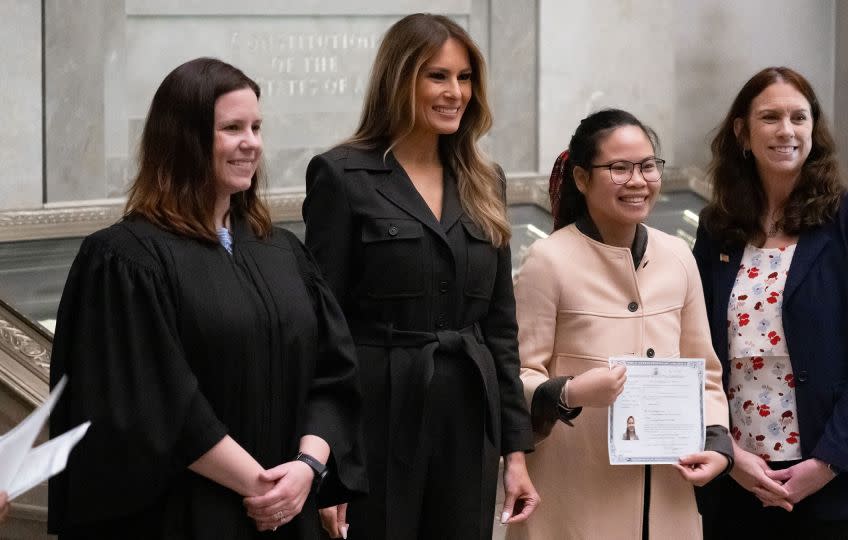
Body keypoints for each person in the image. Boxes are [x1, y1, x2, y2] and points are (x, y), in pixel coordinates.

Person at [48, 57, 365, 539]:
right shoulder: (125, 260)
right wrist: (262, 486)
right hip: (187, 515)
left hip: (287, 508)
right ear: (184, 139)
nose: (251, 143)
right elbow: (154, 401)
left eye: (257, 127)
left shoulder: (281, 251)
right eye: (232, 128)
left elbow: (333, 373)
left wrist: (305, 468)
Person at [302, 13, 538, 540]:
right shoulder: (342, 175)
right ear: (398, 79)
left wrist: (515, 453)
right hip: (378, 417)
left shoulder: (484, 180)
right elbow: (323, 329)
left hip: (468, 417)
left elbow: (500, 329)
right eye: (437, 76)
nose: (456, 92)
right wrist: (329, 462)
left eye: (465, 77)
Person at [693, 66, 848, 539]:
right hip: (740, 476)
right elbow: (698, 348)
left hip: (835, 477)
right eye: (770, 117)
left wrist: (827, 462)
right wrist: (728, 454)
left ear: (814, 127)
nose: (786, 130)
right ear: (742, 132)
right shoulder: (717, 228)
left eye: (799, 117)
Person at [507, 109, 732, 540]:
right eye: (619, 168)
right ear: (580, 178)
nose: (637, 180)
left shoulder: (678, 257)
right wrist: (569, 391)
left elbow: (706, 373)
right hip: (574, 500)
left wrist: (718, 444)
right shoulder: (548, 260)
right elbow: (516, 376)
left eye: (648, 166)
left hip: (668, 495)